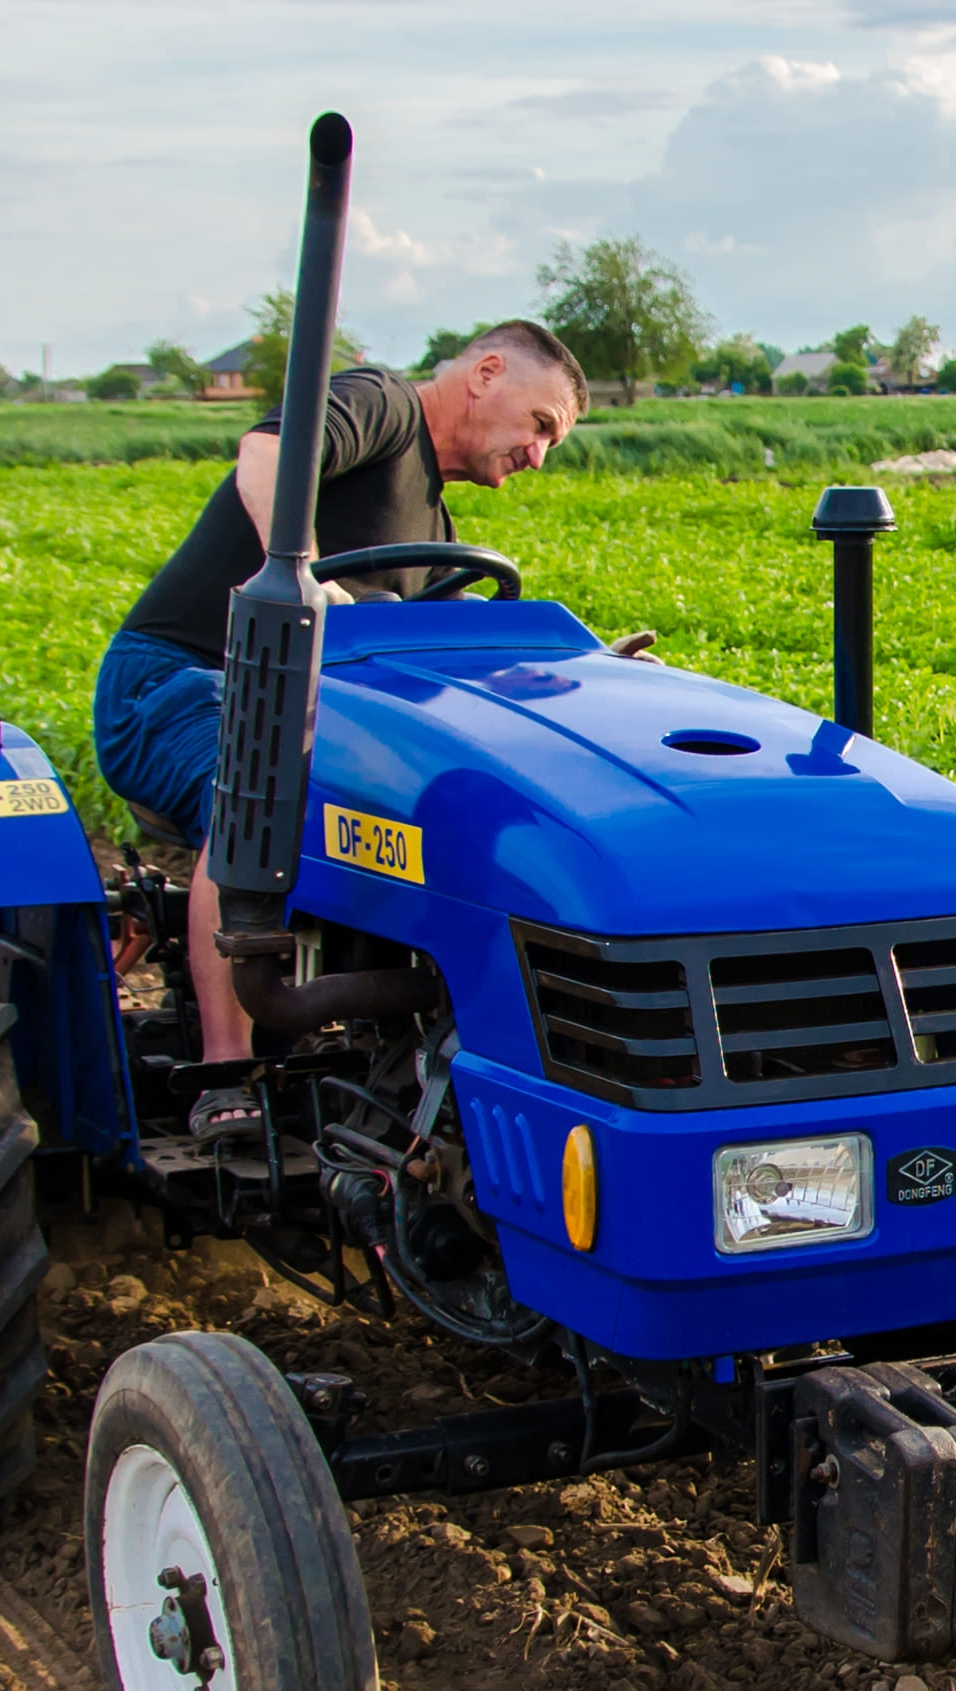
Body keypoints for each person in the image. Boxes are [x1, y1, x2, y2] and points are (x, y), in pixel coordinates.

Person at [92, 323, 587, 1127]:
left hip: (305, 712)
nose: (539, 457)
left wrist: (571, 677)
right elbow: (267, 455)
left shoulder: (436, 535)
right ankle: (227, 1077)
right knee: (265, 779)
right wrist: (301, 573)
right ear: (487, 373)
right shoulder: (384, 405)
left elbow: (445, 661)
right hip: (179, 682)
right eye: (540, 427)